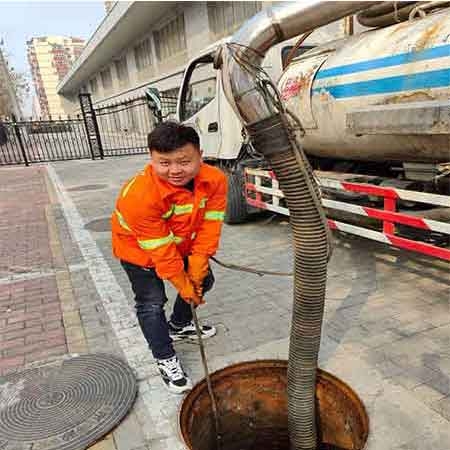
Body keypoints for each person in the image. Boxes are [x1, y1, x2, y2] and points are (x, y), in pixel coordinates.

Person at [111, 121, 227, 393]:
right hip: (138, 252)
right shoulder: (140, 195)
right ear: (151, 159)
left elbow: (211, 224)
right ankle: (164, 357)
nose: (175, 171)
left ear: (200, 154)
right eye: (164, 163)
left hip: (182, 245)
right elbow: (162, 252)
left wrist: (199, 261)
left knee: (204, 281)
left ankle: (179, 324)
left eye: (184, 161)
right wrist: (183, 283)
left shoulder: (215, 180)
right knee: (151, 303)